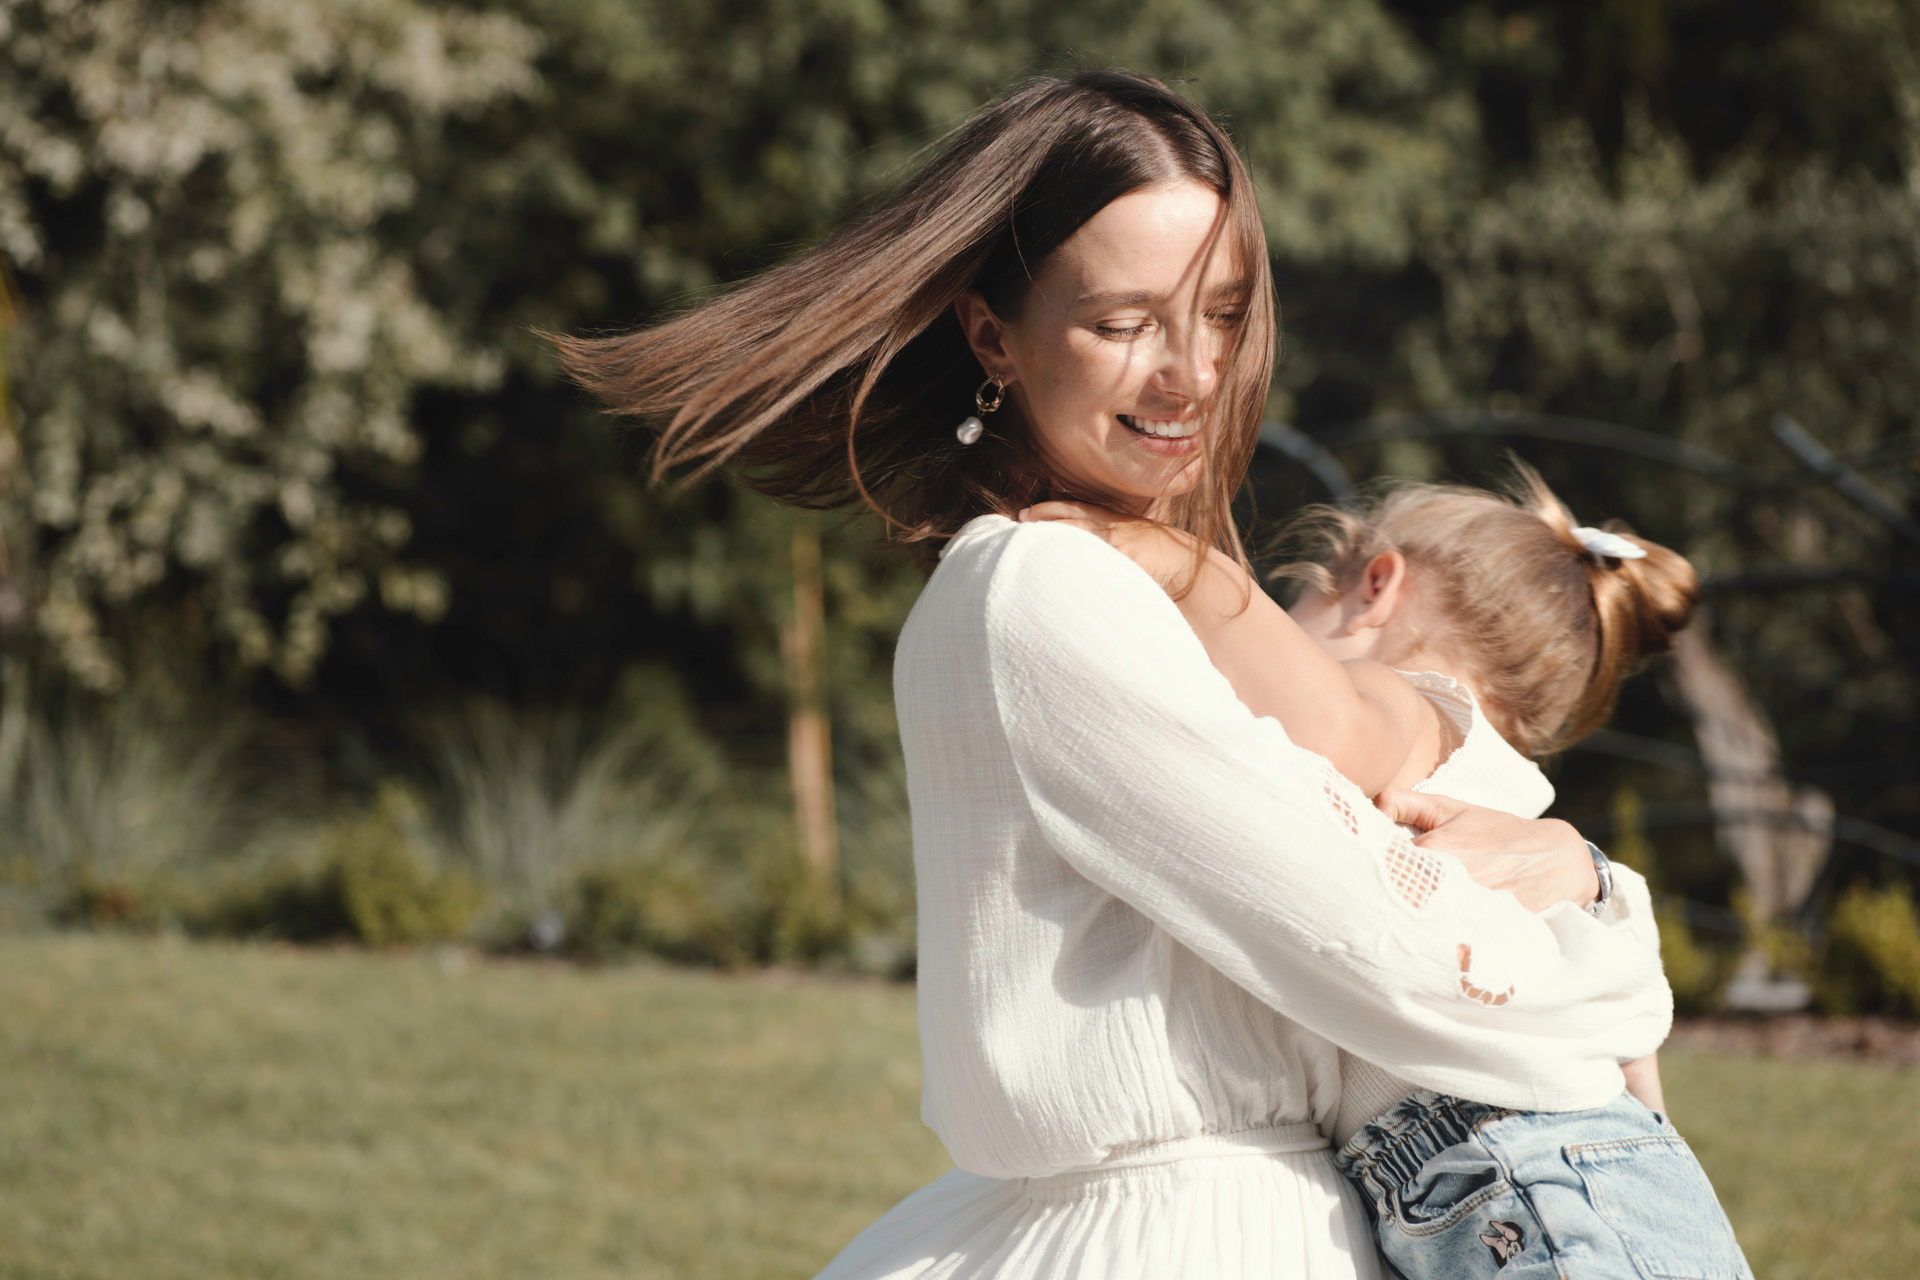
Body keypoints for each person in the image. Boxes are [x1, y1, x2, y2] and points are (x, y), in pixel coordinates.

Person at [556, 70, 1669, 1280]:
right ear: (993, 334)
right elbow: (1391, 957)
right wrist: (1616, 941)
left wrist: (1578, 871)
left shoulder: (1127, 584)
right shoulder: (1043, 584)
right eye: (1125, 322)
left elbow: (1379, 821)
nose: (1190, 374)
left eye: (1221, 313)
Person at [1020, 465, 1755, 1279]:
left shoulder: (1412, 705)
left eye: (1290, 610)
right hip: (1594, 1176)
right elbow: (1633, 1068)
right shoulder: (1505, 803)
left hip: (1521, 1179)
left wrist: (1187, 568)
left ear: (1376, 586)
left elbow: (1333, 723)